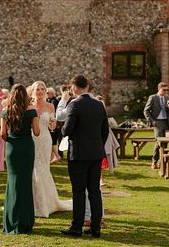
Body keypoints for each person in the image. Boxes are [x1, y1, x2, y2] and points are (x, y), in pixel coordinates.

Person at [61, 75, 109, 238]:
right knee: (94, 190)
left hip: (79, 154)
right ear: (87, 86)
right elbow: (105, 131)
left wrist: (60, 129)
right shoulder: (99, 104)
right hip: (96, 153)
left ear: (74, 88)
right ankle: (96, 227)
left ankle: (76, 227)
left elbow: (67, 130)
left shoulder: (75, 105)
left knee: (79, 191)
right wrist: (96, 146)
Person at [1, 84, 40, 234]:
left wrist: (12, 137)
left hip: (12, 148)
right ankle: (25, 221)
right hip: (27, 148)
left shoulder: (5, 111)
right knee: (25, 182)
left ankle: (12, 219)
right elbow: (36, 132)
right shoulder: (31, 111)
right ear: (25, 95)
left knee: (13, 182)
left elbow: (3, 134)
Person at [31, 81, 72, 218]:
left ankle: (46, 202)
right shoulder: (29, 105)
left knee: (43, 168)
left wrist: (53, 124)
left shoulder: (50, 106)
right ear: (33, 91)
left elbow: (52, 128)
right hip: (31, 139)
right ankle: (32, 201)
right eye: (38, 89)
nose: (41, 91)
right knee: (33, 168)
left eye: (43, 89)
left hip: (45, 140)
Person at [143, 82, 169, 169]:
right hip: (157, 122)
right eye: (164, 89)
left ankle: (162, 162)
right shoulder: (153, 97)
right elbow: (146, 111)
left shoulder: (168, 98)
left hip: (167, 122)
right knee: (159, 142)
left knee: (166, 143)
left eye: (167, 90)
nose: (166, 91)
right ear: (159, 89)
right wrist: (152, 121)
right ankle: (154, 161)